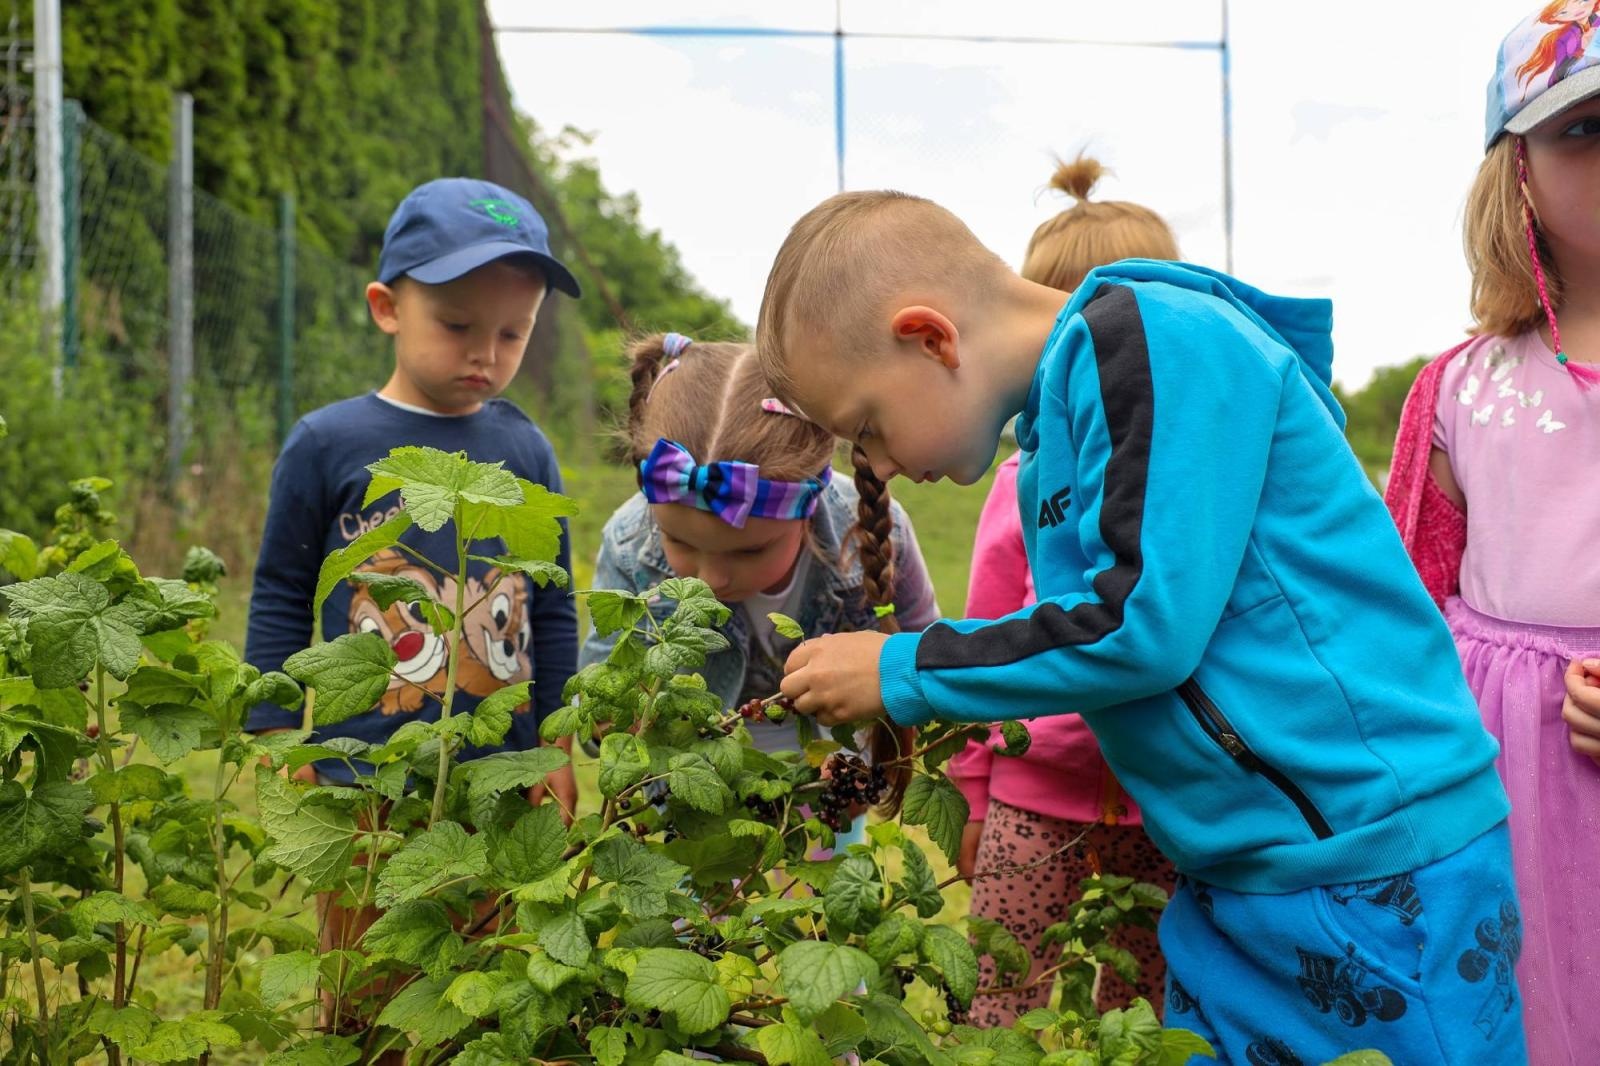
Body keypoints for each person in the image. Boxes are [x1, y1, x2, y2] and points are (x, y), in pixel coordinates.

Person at [754, 189, 1523, 1062]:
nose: (880, 465)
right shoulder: (1052, 434)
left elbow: (1138, 625)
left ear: (931, 338)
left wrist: (906, 669)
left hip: (1373, 861)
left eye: (868, 426)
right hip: (1238, 874)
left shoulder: (1149, 340)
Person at [244, 177, 581, 1031]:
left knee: (484, 991)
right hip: (365, 778)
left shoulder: (526, 448)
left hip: (496, 776)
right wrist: (281, 734)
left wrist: (557, 738)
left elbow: (554, 605)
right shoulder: (328, 443)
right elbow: (284, 589)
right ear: (387, 308)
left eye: (513, 332)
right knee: (371, 989)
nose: (487, 353)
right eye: (459, 325)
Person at [1384, 8, 1600, 1060]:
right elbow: (1399, 616)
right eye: (1584, 125)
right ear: (1514, 173)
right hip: (1500, 785)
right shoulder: (1460, 390)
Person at [949, 154, 1179, 1025]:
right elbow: (983, 638)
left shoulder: (1182, 481)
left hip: (1168, 800)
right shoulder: (1021, 484)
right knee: (1002, 1000)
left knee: (1149, 1012)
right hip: (1035, 800)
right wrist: (973, 793)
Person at [584, 333, 940, 834]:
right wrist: (614, 728)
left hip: (825, 785)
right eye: (679, 542)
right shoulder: (628, 541)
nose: (712, 577)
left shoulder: (876, 532)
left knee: (819, 905)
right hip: (692, 796)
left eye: (749, 550)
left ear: (807, 509)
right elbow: (597, 684)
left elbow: (926, 654)